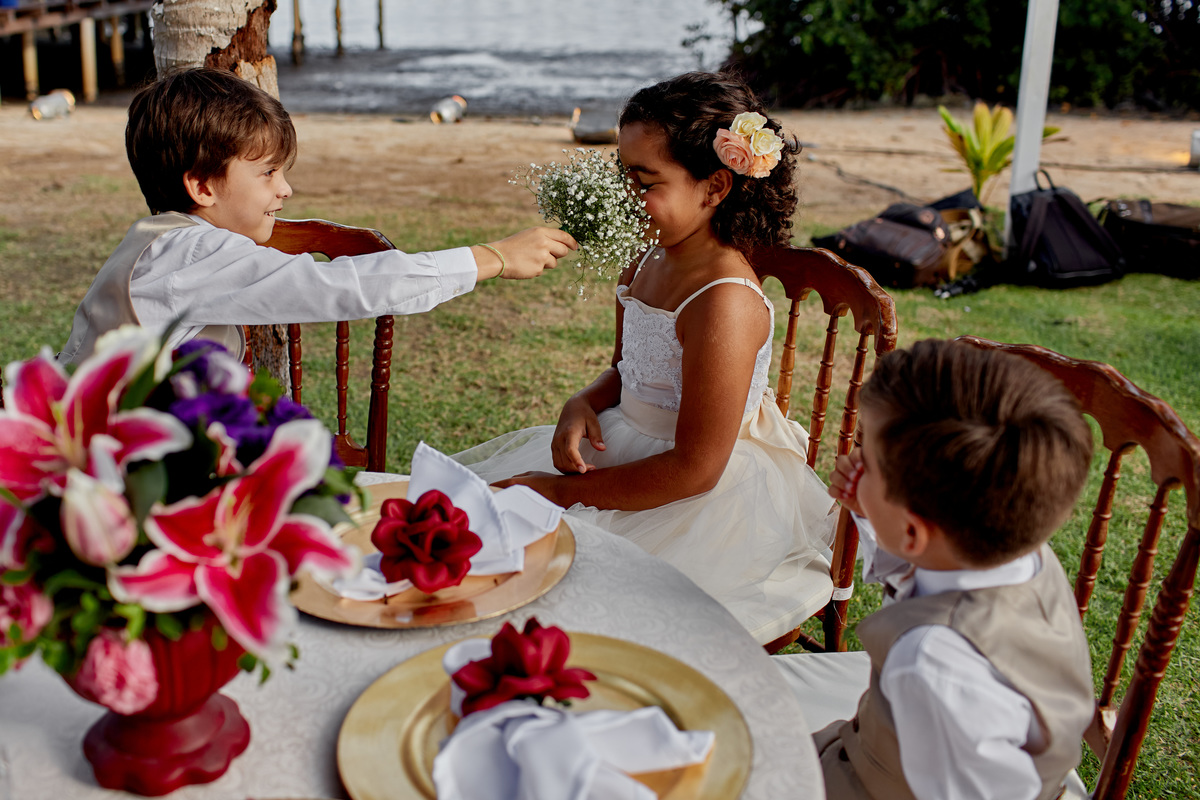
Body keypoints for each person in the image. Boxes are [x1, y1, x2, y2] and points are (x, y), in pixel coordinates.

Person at [453, 72, 838, 645]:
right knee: (483, 541)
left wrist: (559, 491)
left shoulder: (724, 303)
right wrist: (585, 400)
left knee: (562, 596)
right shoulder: (645, 262)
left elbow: (695, 470)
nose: (622, 194)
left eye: (643, 179)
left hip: (699, 492)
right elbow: (624, 368)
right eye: (620, 173)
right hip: (624, 446)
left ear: (713, 188)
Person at [58, 68, 576, 366]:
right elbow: (341, 287)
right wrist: (492, 258)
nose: (286, 189)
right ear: (202, 185)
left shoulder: (159, 241)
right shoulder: (193, 252)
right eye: (267, 174)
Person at [779, 338, 1096, 800]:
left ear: (912, 533)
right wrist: (870, 509)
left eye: (870, 462)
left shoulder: (930, 663)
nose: (854, 462)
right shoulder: (1019, 551)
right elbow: (927, 570)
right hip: (897, 747)